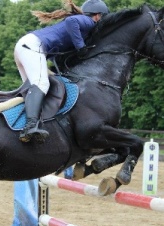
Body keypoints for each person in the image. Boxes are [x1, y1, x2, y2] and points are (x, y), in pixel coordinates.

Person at [15, 0, 109, 143]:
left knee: (31, 90)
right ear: (97, 16)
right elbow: (72, 22)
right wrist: (80, 46)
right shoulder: (88, 21)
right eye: (102, 17)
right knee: (41, 84)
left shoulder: (83, 24)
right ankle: (30, 127)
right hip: (33, 47)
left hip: (25, 47)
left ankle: (24, 126)